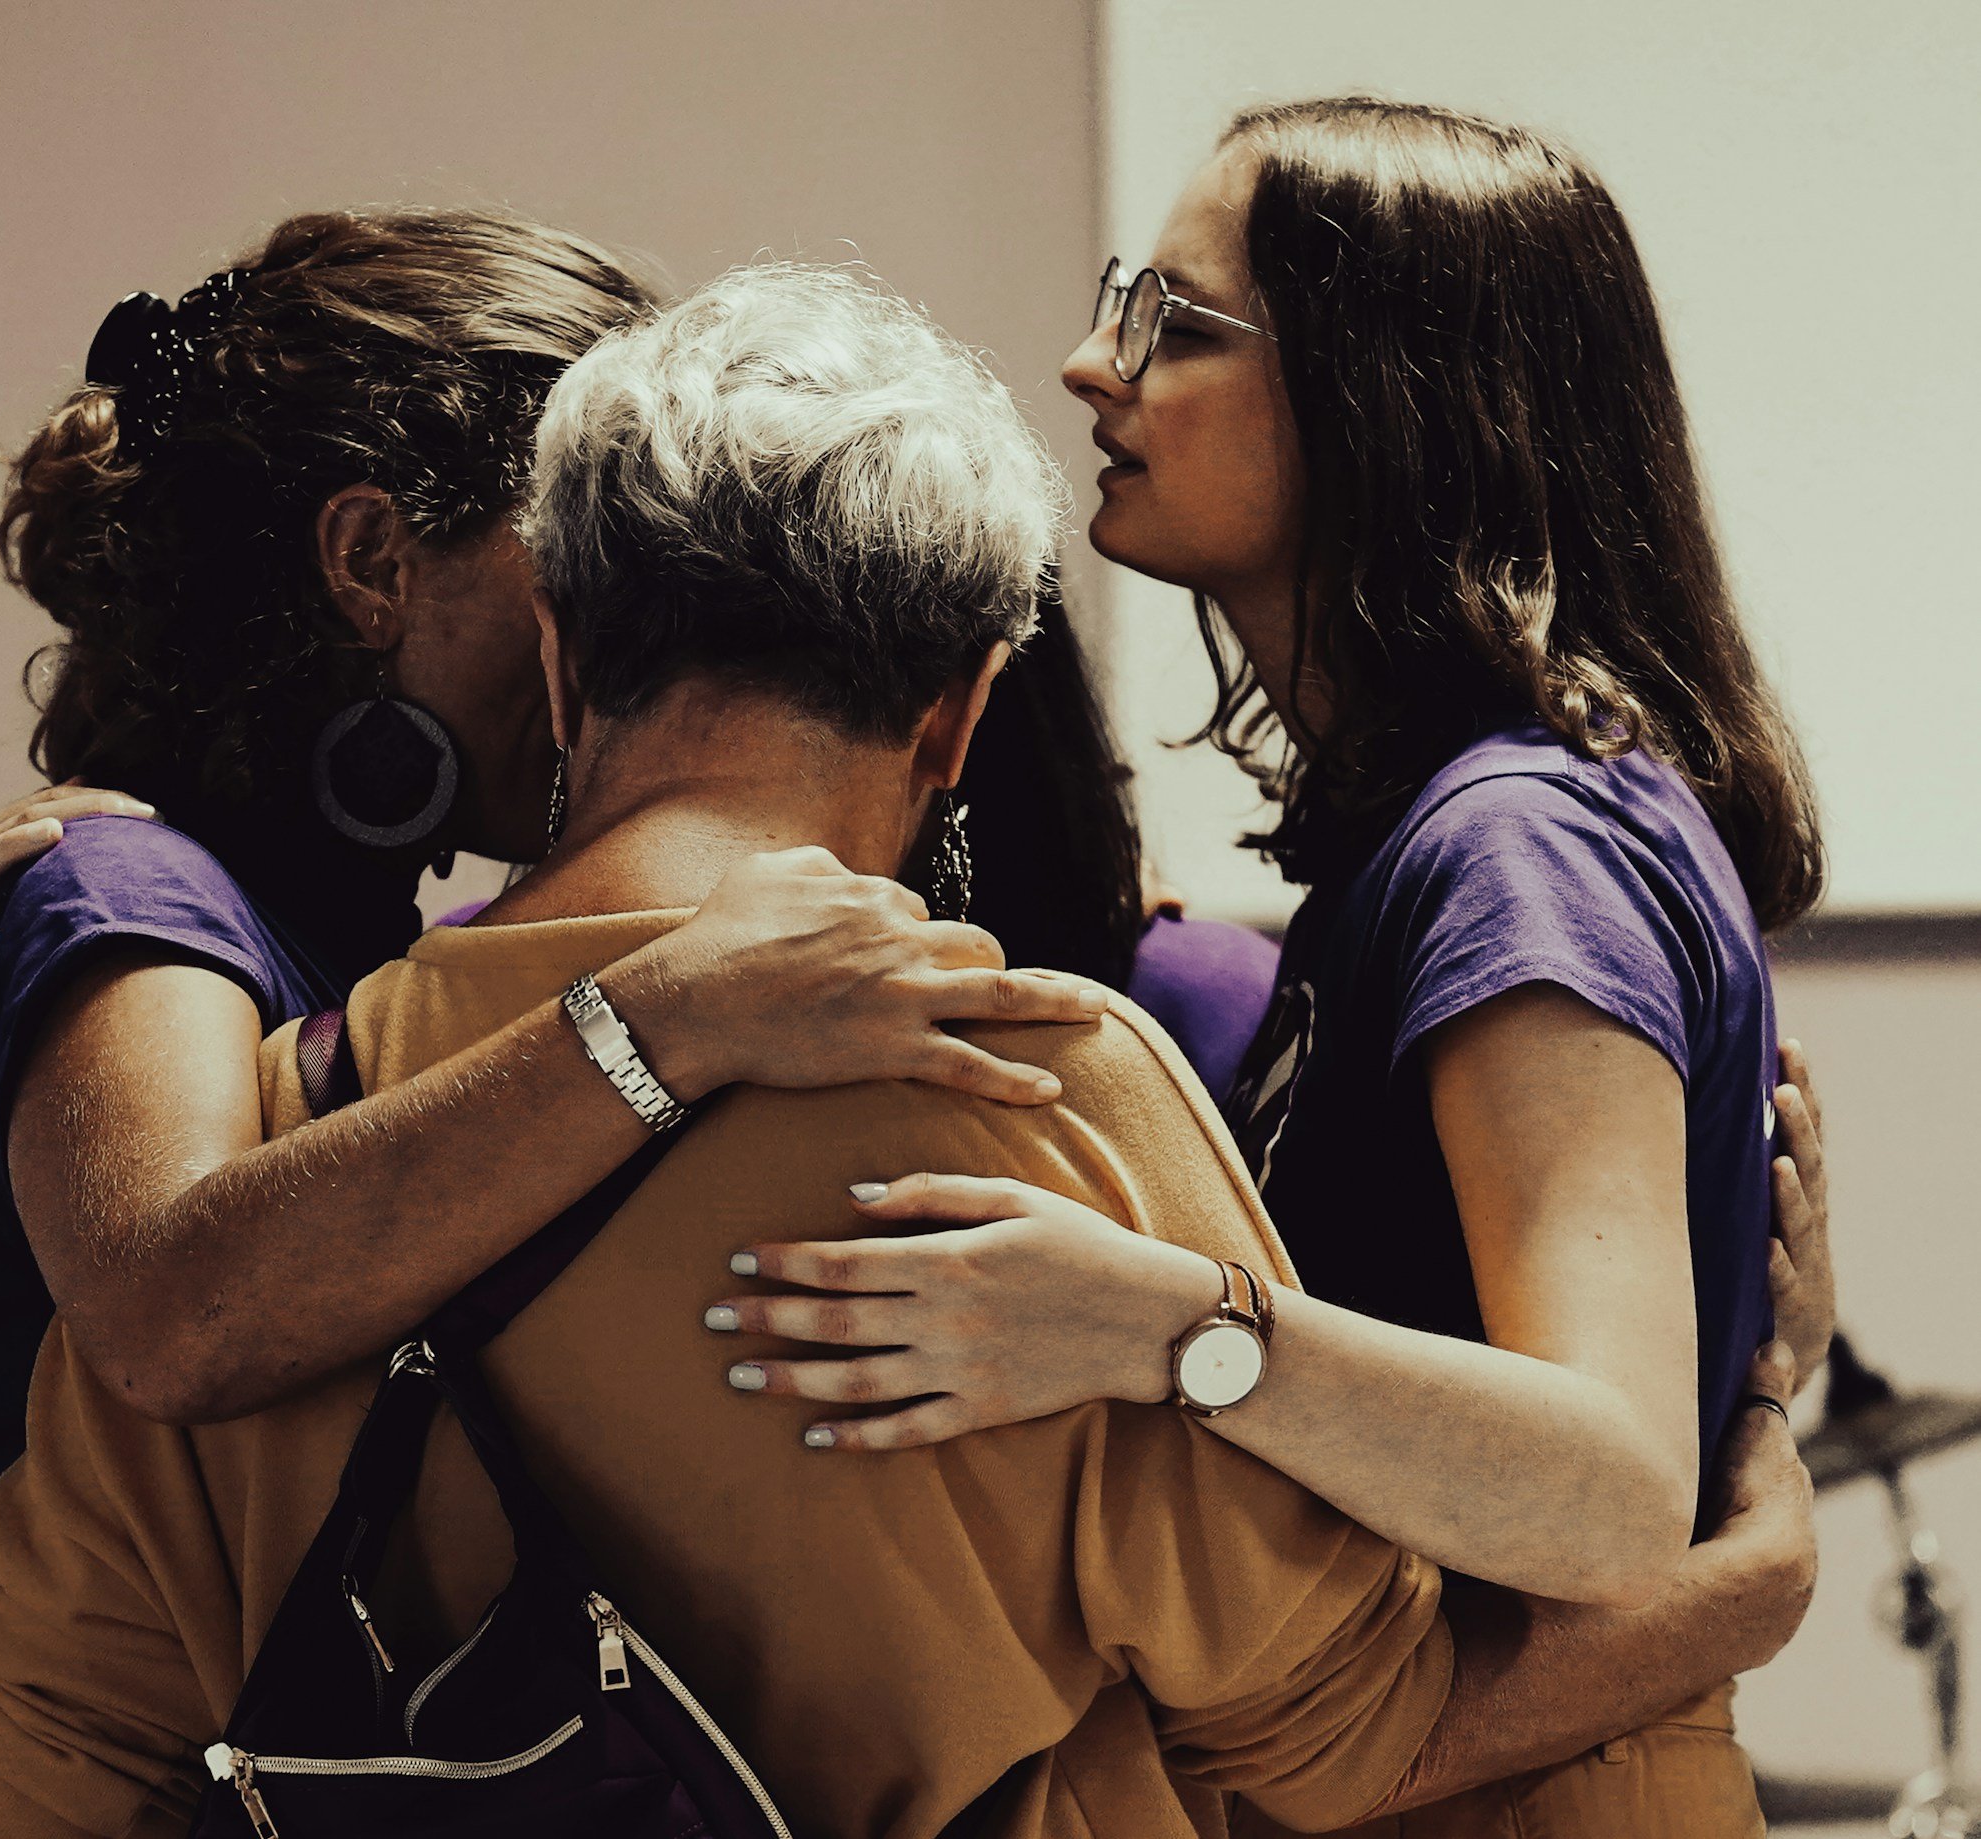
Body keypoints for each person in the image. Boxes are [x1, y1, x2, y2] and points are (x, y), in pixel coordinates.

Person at [0, 264, 1818, 1839]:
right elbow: (1337, 1746)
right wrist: (1737, 1553)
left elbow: (31, 1756)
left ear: (566, 657)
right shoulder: (1039, 1099)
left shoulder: (275, 1155)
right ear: (964, 714)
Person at [707, 98, 1831, 1830]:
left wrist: (1150, 1326)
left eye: (1175, 324)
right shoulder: (1455, 829)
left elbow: (1607, 1486)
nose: (1093, 366)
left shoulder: (1515, 844)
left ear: (1392, 396)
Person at [0, 208, 1117, 1531]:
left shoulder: (331, 911)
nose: (625, 623)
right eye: (584, 554)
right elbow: (177, 1318)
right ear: (370, 563)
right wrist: (676, 1012)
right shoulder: (129, 891)